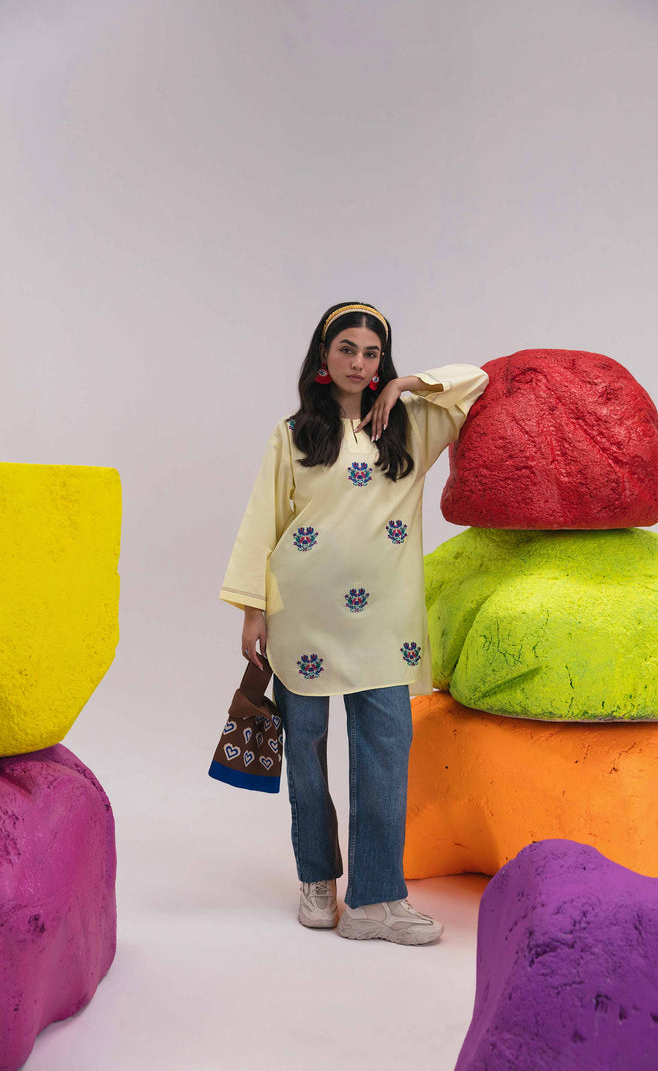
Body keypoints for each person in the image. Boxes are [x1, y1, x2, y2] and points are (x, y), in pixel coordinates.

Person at [219, 301, 489, 945]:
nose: (359, 363)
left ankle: (375, 900)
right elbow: (263, 521)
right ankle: (318, 879)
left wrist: (405, 385)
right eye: (347, 349)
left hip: (383, 624)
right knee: (307, 753)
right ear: (323, 354)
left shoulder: (409, 426)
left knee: (385, 752)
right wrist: (253, 610)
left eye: (372, 354)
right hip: (302, 616)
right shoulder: (293, 434)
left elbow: (476, 380)